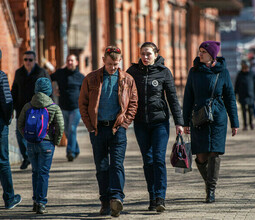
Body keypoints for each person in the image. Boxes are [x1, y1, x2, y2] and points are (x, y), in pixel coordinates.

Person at [79, 46, 138, 217]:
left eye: (116, 64)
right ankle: (105, 201)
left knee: (117, 164)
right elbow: (83, 103)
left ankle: (116, 198)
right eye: (110, 63)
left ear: (120, 61)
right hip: (97, 129)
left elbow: (133, 102)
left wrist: (125, 123)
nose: (113, 67)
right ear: (103, 60)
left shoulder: (127, 79)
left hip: (117, 128)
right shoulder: (91, 79)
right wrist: (90, 126)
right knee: (102, 166)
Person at [127, 42, 184, 212]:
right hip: (141, 124)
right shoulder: (132, 72)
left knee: (158, 159)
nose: (145, 57)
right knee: (148, 160)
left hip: (160, 122)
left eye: (149, 54)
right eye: (143, 54)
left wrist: (179, 122)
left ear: (156, 54)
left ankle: (160, 197)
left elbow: (172, 98)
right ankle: (152, 196)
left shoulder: (164, 72)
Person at [183, 41, 239, 203]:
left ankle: (211, 190)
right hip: (199, 117)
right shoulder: (194, 72)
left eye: (203, 52)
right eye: (199, 51)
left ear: (212, 55)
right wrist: (184, 121)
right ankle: (209, 182)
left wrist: (234, 122)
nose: (199, 54)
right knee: (201, 156)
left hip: (218, 116)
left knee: (215, 152)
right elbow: (188, 98)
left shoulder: (223, 72)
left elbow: (230, 98)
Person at [17, 77, 64, 214]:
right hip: (47, 144)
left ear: (36, 89)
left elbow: (20, 125)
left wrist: (27, 137)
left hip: (31, 143)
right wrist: (55, 142)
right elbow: (60, 127)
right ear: (49, 90)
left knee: (35, 172)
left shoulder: (28, 106)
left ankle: (35, 201)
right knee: (44, 173)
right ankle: (41, 203)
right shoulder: (54, 107)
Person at [12, 51, 51, 170]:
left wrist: (49, 108)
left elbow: (48, 91)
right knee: (20, 135)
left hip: (37, 110)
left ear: (35, 60)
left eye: (30, 60)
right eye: (25, 60)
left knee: (36, 134)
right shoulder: (19, 73)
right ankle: (26, 157)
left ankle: (36, 158)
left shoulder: (41, 72)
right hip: (22, 109)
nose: (27, 62)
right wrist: (11, 108)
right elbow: (14, 90)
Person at [51, 54, 84, 161]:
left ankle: (70, 152)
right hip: (63, 107)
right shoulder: (60, 73)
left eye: (72, 60)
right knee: (67, 130)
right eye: (68, 60)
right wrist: (53, 89)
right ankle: (76, 149)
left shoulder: (81, 77)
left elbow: (86, 93)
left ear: (76, 62)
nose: (70, 62)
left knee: (72, 128)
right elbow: (47, 77)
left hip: (76, 107)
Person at [0, 49, 22, 209]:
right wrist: (7, 119)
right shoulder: (1, 76)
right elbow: (7, 102)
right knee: (3, 161)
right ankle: (9, 198)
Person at [235, 60, 255, 130]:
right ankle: (245, 125)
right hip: (242, 95)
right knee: (243, 111)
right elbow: (237, 85)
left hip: (251, 95)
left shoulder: (252, 74)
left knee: (251, 110)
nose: (245, 69)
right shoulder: (240, 74)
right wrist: (235, 93)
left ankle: (251, 123)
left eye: (246, 67)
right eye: (244, 67)